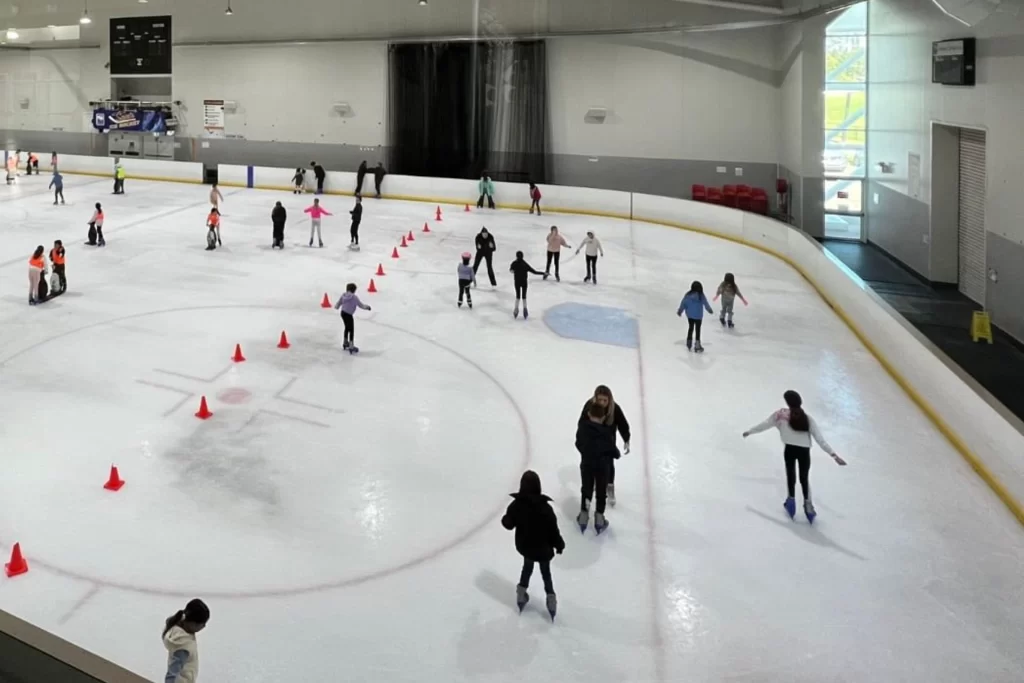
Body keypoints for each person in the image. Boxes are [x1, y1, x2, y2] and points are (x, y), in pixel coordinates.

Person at [743, 390, 847, 523]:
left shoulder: (779, 415)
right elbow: (820, 439)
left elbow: (765, 424)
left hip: (790, 450)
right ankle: (808, 506)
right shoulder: (807, 419)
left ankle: (791, 502)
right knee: (804, 478)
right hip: (804, 451)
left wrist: (750, 431)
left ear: (787, 402)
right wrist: (834, 455)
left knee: (791, 475)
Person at [501, 470, 565, 620]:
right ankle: (551, 599)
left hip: (526, 547)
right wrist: (559, 545)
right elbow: (553, 531)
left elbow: (508, 523)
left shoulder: (517, 505)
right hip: (543, 549)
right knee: (546, 573)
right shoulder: (546, 509)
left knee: (527, 568)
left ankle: (521, 593)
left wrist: (506, 519)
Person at [579, 386, 630, 507]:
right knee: (589, 467)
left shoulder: (614, 409)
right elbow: (581, 425)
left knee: (608, 465)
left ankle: (610, 487)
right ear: (595, 398)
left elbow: (623, 424)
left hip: (607, 443)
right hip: (591, 444)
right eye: (600, 400)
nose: (602, 403)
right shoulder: (589, 406)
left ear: (609, 400)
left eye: (605, 400)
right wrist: (583, 444)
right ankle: (589, 491)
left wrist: (626, 439)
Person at [575, 402, 619, 534]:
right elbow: (614, 452)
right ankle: (599, 518)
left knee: (587, 488)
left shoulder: (582, 427)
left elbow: (578, 443)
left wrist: (586, 452)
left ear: (589, 414)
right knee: (601, 492)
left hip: (587, 465)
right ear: (604, 417)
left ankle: (583, 515)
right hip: (602, 467)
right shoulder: (606, 432)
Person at [163, 598, 210, 683]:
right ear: (193, 623)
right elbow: (172, 673)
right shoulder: (183, 645)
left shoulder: (179, 630)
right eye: (202, 624)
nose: (203, 627)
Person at [334, 282, 371, 353]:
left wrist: (337, 307)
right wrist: (367, 307)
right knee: (351, 330)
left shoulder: (343, 295)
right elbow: (361, 305)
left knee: (347, 327)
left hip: (343, 313)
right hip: (348, 315)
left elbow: (339, 302)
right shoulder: (354, 297)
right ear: (354, 290)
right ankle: (351, 345)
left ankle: (345, 342)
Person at [676, 281, 713, 352]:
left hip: (690, 315)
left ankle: (689, 342)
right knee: (698, 330)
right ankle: (697, 345)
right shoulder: (701, 295)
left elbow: (683, 303)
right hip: (698, 316)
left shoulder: (688, 295)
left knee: (691, 328)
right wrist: (709, 310)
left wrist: (680, 311)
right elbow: (705, 303)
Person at [509, 250, 544, 319]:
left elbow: (511, 270)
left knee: (518, 296)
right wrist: (543, 273)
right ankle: (525, 309)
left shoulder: (514, 263)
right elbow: (534, 272)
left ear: (516, 256)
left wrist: (514, 271)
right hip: (524, 282)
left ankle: (516, 309)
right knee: (524, 296)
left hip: (517, 282)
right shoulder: (525, 264)